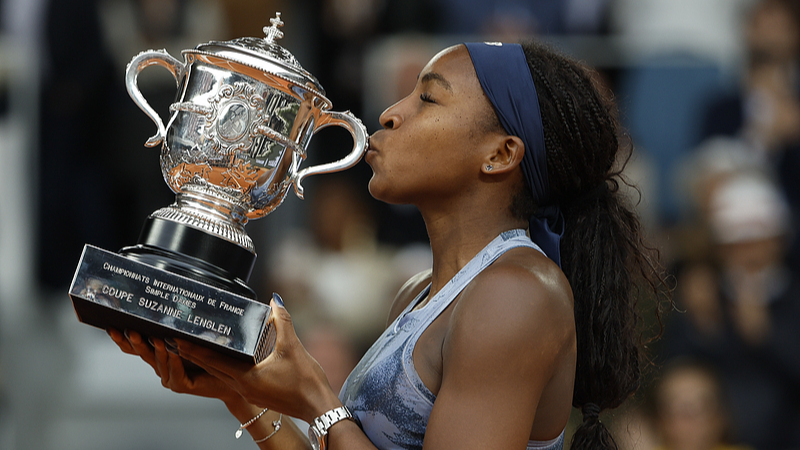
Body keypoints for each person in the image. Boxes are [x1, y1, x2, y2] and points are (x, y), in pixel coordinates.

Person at [108, 40, 664, 450]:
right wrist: (242, 392)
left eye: (429, 99)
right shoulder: (418, 293)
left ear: (500, 154)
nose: (391, 113)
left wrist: (317, 399)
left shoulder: (517, 295)